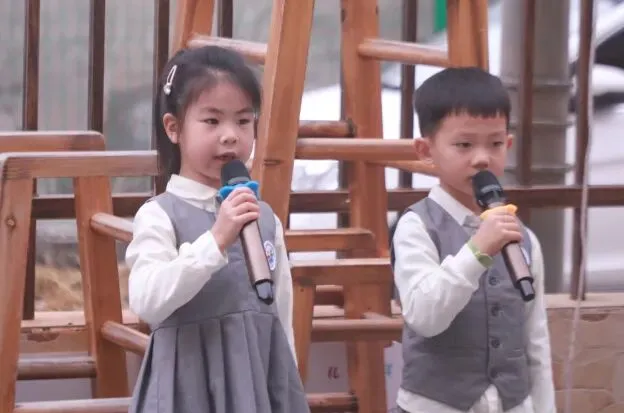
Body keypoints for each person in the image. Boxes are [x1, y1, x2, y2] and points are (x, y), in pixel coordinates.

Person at [125, 45, 310, 413]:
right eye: (212, 121)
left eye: (243, 121)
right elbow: (147, 301)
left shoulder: (264, 218)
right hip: (187, 393)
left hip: (256, 391)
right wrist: (215, 241)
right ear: (173, 128)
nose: (230, 135)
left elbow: (281, 315)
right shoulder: (159, 215)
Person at [390, 67, 556, 413]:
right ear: (425, 150)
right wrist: (477, 250)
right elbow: (425, 317)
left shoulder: (523, 238)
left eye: (495, 144)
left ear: (508, 145)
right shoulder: (417, 226)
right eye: (464, 145)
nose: (482, 158)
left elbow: (535, 341)